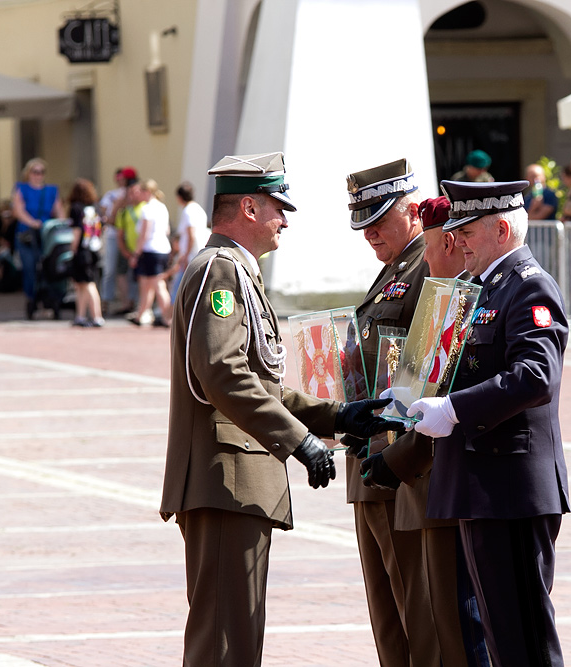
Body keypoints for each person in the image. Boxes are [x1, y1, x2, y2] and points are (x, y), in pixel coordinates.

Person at [159, 151, 399, 667]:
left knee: (237, 639)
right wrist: (299, 442)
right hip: (226, 480)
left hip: (236, 480)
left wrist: (337, 416)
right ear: (248, 207)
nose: (283, 220)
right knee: (224, 644)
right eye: (276, 207)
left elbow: (261, 385)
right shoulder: (221, 272)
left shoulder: (235, 271)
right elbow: (222, 374)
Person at [410, 179, 570, 667]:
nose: (458, 243)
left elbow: (535, 375)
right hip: (486, 485)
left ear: (502, 229)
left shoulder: (528, 284)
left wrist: (454, 409)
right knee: (502, 636)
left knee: (523, 634)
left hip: (511, 488)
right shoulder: (483, 287)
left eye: (469, 232)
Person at [361, 195, 489, 667]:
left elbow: (442, 387)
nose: (429, 258)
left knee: (442, 629)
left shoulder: (450, 293)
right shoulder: (415, 280)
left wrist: (399, 459)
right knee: (402, 626)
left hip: (423, 471)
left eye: (437, 245)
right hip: (393, 460)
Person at [343, 158, 442, 667]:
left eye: (378, 221)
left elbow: (425, 362)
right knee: (386, 614)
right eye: (363, 225)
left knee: (415, 613)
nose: (369, 234)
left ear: (410, 209)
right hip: (369, 457)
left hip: (398, 463)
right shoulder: (392, 272)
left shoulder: (428, 265)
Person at [11, 158, 65, 315]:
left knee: (49, 266)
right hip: (27, 234)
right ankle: (32, 297)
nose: (38, 175)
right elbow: (18, 210)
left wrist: (62, 223)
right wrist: (32, 222)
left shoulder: (51, 190)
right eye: (35, 172)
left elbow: (58, 209)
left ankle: (51, 297)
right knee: (30, 267)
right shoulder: (21, 188)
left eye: (41, 172)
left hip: (46, 233)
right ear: (28, 173)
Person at [128, 179, 172, 327]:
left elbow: (144, 234)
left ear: (147, 192)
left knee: (157, 284)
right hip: (162, 248)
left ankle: (168, 317)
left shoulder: (147, 209)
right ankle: (141, 315)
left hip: (151, 250)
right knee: (147, 284)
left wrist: (136, 254)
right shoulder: (162, 207)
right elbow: (167, 230)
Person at [66, 178, 105, 327]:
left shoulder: (76, 208)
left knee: (88, 283)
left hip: (82, 250)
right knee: (80, 283)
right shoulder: (96, 207)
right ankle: (80, 316)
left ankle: (97, 316)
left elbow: (76, 230)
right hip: (94, 248)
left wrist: (73, 247)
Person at [98, 166, 136, 315]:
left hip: (129, 235)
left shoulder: (134, 192)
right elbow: (108, 217)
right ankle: (105, 301)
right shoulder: (111, 195)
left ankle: (128, 302)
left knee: (127, 271)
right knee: (110, 269)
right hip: (114, 235)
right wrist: (120, 202)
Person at [170, 181, 210, 296]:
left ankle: (172, 313)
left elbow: (191, 235)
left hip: (191, 256)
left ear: (179, 197)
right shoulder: (198, 209)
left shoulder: (188, 211)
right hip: (197, 254)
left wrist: (185, 256)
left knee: (179, 290)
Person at [114, 177, 145, 316]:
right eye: (130, 192)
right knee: (122, 275)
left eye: (136, 192)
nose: (133, 195)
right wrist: (124, 250)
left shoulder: (146, 208)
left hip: (143, 250)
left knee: (142, 279)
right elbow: (119, 234)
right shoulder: (124, 212)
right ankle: (126, 303)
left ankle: (140, 305)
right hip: (128, 250)